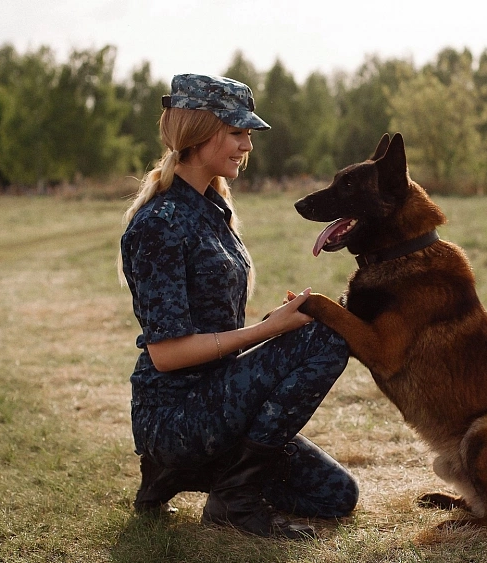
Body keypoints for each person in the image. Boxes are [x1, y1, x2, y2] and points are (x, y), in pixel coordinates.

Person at [118, 74, 357, 539]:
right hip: (175, 415)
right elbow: (166, 354)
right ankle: (232, 496)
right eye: (237, 132)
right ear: (199, 133)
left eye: (248, 134)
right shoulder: (160, 223)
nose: (247, 145)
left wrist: (275, 323)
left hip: (221, 398)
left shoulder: (213, 208)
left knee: (334, 495)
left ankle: (190, 476)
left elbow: (214, 326)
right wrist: (268, 333)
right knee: (330, 333)